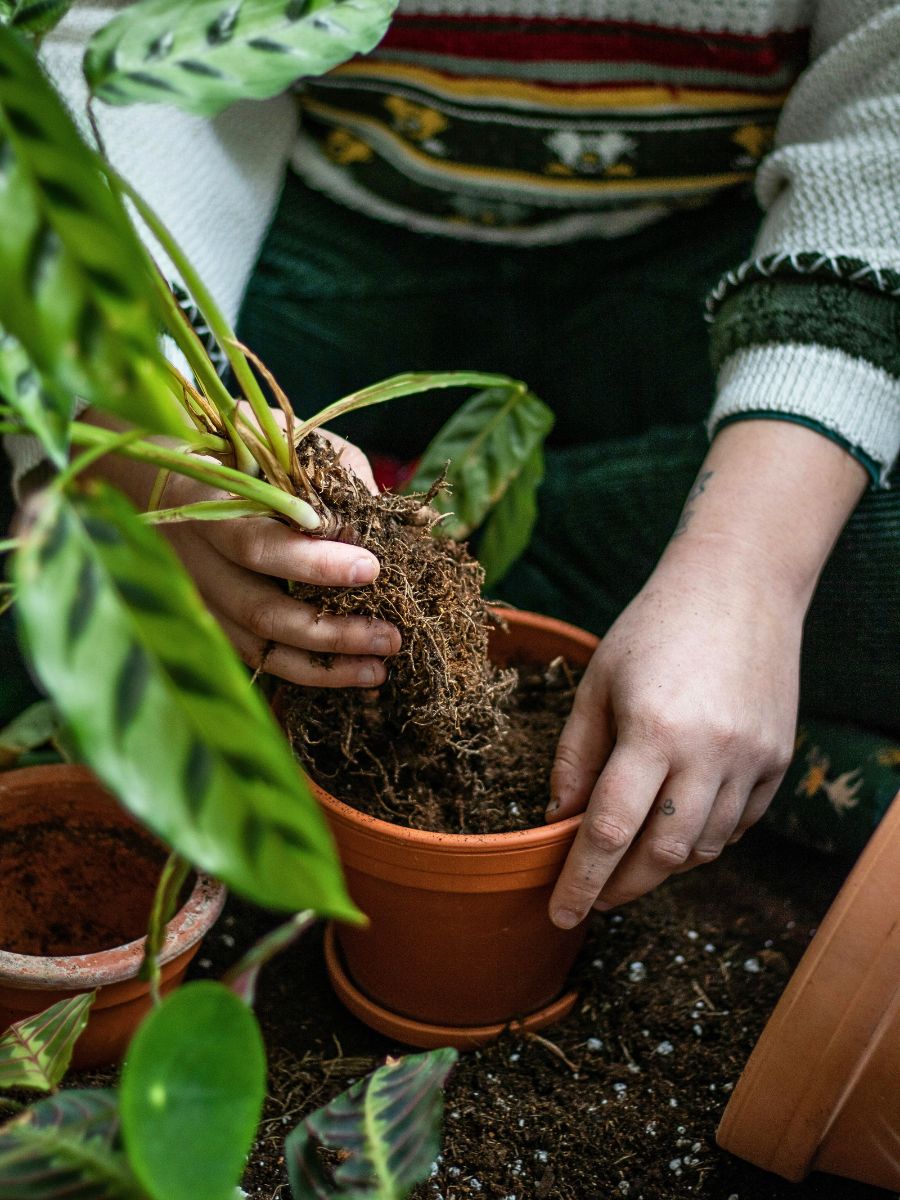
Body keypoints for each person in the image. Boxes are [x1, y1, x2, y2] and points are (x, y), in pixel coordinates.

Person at [5, 0, 899, 926]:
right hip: (309, 227)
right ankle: (550, 590)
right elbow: (97, 48)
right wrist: (151, 443)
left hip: (722, 266)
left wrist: (747, 577)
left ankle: (447, 578)